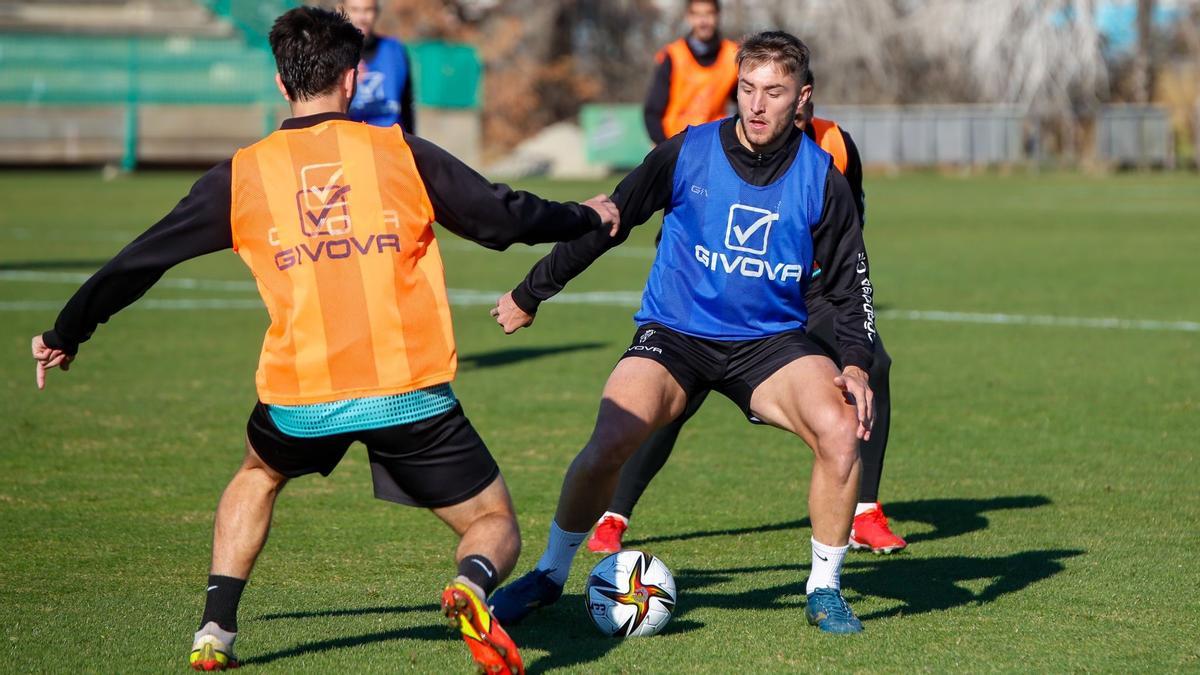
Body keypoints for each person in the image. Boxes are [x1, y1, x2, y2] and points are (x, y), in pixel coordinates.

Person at [29, 7, 618, 673]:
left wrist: (66, 329)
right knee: (494, 524)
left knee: (259, 472)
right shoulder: (400, 151)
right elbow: (501, 218)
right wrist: (584, 216)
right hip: (410, 393)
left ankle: (216, 628)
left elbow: (142, 259)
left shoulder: (243, 174)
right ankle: (472, 584)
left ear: (282, 85)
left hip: (301, 396)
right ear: (353, 77)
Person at [489, 31, 877, 634]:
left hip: (769, 343)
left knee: (840, 427)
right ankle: (547, 574)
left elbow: (849, 285)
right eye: (747, 88)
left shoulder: (822, 177)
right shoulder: (688, 151)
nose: (756, 104)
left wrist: (853, 362)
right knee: (613, 434)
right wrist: (532, 289)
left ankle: (825, 589)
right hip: (675, 334)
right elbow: (608, 221)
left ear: (801, 98)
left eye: (774, 92)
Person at [566, 77, 905, 557]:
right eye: (753, 94)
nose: (767, 111)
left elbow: (849, 229)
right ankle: (614, 515)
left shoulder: (834, 146)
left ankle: (865, 512)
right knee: (675, 396)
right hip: (730, 288)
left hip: (809, 287)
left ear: (803, 100)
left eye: (783, 99)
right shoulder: (711, 144)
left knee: (872, 368)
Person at [643, 0, 739, 145]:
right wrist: (665, 149)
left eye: (709, 14)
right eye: (697, 14)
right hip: (674, 143)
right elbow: (652, 112)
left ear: (718, 15)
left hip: (714, 146)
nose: (703, 21)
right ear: (689, 17)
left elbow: (746, 104)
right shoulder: (672, 56)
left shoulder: (732, 55)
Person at [342, 0, 416, 131]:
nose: (362, 17)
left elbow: (407, 103)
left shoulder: (395, 50)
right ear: (341, 9)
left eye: (368, 10)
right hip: (351, 142)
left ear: (377, 12)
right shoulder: (334, 55)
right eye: (355, 10)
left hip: (389, 143)